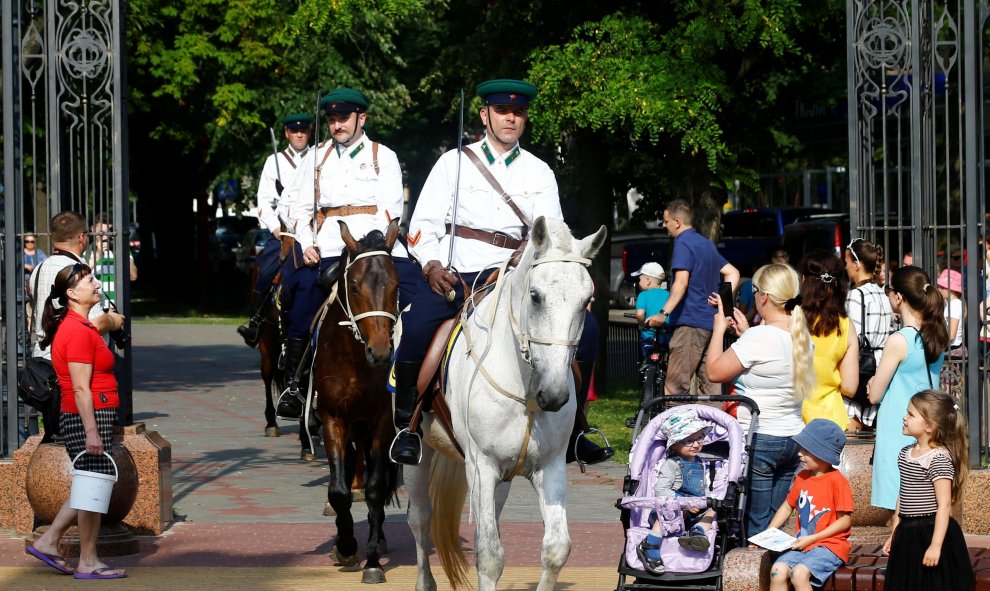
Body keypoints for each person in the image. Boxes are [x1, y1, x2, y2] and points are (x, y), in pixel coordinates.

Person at [391, 79, 609, 467]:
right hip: (458, 273)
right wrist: (433, 265)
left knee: (587, 329)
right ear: (484, 115)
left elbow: (554, 235)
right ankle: (406, 423)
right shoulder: (453, 163)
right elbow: (422, 223)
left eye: (518, 113)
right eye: (502, 111)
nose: (511, 118)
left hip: (515, 276)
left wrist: (535, 256)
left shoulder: (540, 172)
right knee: (420, 323)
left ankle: (576, 425)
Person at [276, 88, 420, 418]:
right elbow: (298, 208)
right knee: (299, 293)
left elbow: (391, 209)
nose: (338, 125)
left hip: (376, 248)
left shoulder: (383, 155)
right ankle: (295, 385)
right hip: (327, 245)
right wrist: (305, 241)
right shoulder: (315, 158)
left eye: (344, 118)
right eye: (332, 119)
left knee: (415, 295)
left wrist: (376, 247)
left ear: (361, 118)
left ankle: (409, 383)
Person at [26, 264, 126, 579]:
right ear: (72, 293)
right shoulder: (77, 331)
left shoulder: (78, 326)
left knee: (90, 488)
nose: (97, 284)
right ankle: (85, 558)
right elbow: (81, 388)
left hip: (92, 413)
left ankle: (54, 542)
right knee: (92, 489)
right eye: (89, 281)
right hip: (87, 416)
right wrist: (92, 432)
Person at [705, 263, 816, 536]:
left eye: (753, 291)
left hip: (760, 439)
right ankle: (773, 572)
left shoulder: (759, 337)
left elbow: (714, 371)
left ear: (763, 296)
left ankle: (754, 575)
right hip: (792, 437)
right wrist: (746, 334)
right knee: (774, 524)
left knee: (755, 524)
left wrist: (719, 329)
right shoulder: (801, 336)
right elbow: (772, 361)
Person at [868, 266, 947, 510]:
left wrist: (873, 383)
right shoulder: (935, 336)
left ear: (899, 297)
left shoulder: (899, 340)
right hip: (926, 423)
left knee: (899, 502)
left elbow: (874, 395)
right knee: (921, 500)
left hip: (899, 425)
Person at [882, 390, 975, 591]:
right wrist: (895, 532)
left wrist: (935, 545)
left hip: (931, 531)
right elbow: (903, 495)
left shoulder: (938, 458)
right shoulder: (905, 453)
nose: (904, 418)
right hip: (907, 533)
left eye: (911, 414)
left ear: (930, 426)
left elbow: (944, 506)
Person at [237, 113, 313, 347]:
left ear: (309, 132)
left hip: (314, 232)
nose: (299, 134)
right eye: (294, 131)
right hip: (285, 233)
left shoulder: (319, 157)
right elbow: (264, 204)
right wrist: (277, 230)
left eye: (303, 131)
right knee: (266, 269)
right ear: (286, 134)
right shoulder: (274, 161)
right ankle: (256, 322)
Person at [655, 200, 740, 396]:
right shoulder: (706, 244)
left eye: (665, 221)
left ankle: (676, 426)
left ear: (677, 222)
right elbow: (733, 273)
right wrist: (722, 300)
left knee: (676, 388)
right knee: (711, 387)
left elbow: (681, 282)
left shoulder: (683, 243)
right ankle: (714, 425)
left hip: (689, 324)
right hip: (711, 325)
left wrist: (663, 313)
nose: (664, 226)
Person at [767, 419, 853, 591]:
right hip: (803, 544)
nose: (800, 453)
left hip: (830, 546)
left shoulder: (837, 482)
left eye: (806, 450)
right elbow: (786, 506)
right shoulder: (802, 477)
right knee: (777, 570)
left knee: (799, 574)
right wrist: (769, 533)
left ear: (822, 453)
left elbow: (845, 521)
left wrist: (813, 538)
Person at [29, 211, 125, 359]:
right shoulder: (78, 271)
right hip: (76, 360)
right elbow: (95, 323)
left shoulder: (39, 268)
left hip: (43, 358)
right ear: (82, 237)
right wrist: (113, 320)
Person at [636, 407, 718, 574]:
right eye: (689, 440)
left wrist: (706, 501)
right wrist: (684, 504)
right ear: (674, 445)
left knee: (715, 510)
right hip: (672, 512)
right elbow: (662, 490)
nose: (696, 444)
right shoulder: (671, 465)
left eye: (699, 438)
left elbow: (703, 487)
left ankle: (698, 532)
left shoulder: (700, 462)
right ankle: (650, 544)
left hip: (696, 512)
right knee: (668, 510)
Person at [799, 250, 858, 431]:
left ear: (804, 281)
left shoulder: (790, 319)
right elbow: (849, 387)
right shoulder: (846, 326)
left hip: (793, 418)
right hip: (830, 421)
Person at [844, 238, 892, 433]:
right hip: (880, 362)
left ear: (856, 264)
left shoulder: (856, 295)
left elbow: (853, 334)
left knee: (854, 420)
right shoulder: (882, 293)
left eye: (847, 262)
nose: (845, 267)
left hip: (861, 362)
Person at [88, 214, 138, 305]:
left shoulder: (119, 250)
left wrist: (121, 251)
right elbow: (80, 277)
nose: (106, 236)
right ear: (93, 229)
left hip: (118, 306)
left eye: (109, 231)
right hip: (95, 308)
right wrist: (98, 253)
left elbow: (133, 276)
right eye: (101, 232)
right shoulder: (87, 251)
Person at [634, 262, 671, 358]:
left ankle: (646, 365)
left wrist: (642, 325)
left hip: (649, 336)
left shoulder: (643, 295)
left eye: (640, 279)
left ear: (647, 281)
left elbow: (639, 314)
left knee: (648, 356)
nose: (639, 282)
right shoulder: (669, 295)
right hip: (667, 335)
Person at [936, 269, 965, 357]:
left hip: (952, 351)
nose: (939, 289)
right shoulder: (952, 303)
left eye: (942, 287)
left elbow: (951, 334)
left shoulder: (954, 305)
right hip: (951, 348)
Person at [24, 233, 47, 329]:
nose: (29, 244)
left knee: (39, 308)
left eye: (32, 241)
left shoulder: (39, 253)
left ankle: (39, 330)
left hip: (38, 284)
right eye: (27, 241)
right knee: (28, 309)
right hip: (25, 285)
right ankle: (28, 329)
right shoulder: (21, 254)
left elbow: (45, 263)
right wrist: (25, 266)